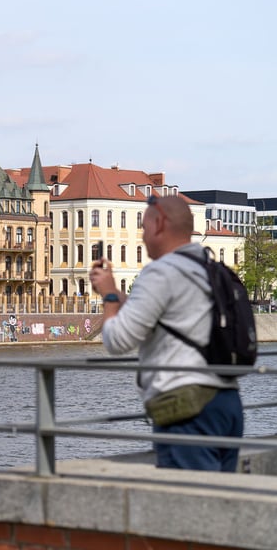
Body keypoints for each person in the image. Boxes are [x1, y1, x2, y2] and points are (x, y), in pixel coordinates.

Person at [89, 195, 243, 472]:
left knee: (189, 506)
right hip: (227, 402)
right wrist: (121, 296)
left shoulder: (161, 272)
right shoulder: (210, 267)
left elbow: (117, 340)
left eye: (144, 229)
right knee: (221, 501)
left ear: (159, 224)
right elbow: (170, 317)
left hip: (186, 407)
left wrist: (109, 295)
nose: (143, 237)